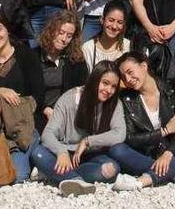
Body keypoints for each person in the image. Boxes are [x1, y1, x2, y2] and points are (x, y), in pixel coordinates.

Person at [33, 61, 126, 196]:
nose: (109, 90)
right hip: (66, 153)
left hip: (92, 155)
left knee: (111, 169)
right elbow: (48, 134)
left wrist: (88, 141)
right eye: (105, 83)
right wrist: (61, 152)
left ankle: (60, 175)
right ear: (94, 80)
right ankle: (75, 180)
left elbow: (119, 134)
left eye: (113, 86)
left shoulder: (115, 103)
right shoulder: (70, 98)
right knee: (37, 152)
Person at [0, 12, 45, 183]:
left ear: (7, 29)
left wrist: (15, 109)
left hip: (24, 125)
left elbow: (39, 95)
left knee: (17, 177)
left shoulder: (26, 55)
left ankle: (17, 154)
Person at [108, 52, 175, 190]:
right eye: (124, 77)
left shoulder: (171, 89)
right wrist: (164, 131)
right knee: (116, 150)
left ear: (144, 66)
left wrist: (168, 153)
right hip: (146, 155)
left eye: (130, 72)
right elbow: (130, 137)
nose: (128, 79)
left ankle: (143, 181)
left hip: (171, 151)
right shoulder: (125, 99)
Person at [37, 10, 89, 131]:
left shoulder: (76, 60)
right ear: (51, 31)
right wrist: (45, 109)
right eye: (61, 33)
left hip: (67, 116)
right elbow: (29, 92)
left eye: (69, 35)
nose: (64, 39)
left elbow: (82, 89)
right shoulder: (34, 56)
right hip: (39, 113)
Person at [80, 0, 131, 71]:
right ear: (102, 19)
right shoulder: (88, 48)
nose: (114, 26)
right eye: (111, 20)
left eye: (119, 22)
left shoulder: (128, 47)